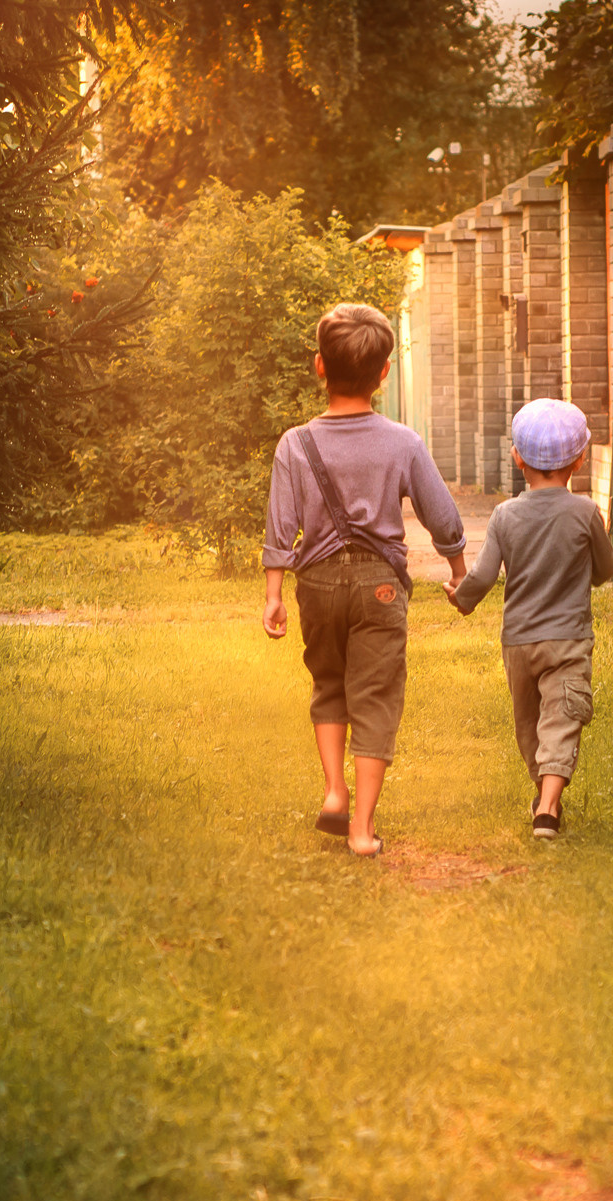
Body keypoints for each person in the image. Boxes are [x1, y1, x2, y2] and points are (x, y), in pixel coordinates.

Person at [262, 304, 469, 857]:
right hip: (380, 585)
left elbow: (282, 524)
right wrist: (457, 567)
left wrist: (275, 593)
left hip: (317, 585)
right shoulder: (403, 442)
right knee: (374, 698)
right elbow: (441, 514)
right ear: (384, 374)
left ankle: (334, 792)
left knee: (328, 683)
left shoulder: (294, 444)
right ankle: (361, 830)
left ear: (318, 367)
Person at [446, 399, 613, 838]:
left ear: (516, 457)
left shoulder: (505, 515)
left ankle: (545, 802)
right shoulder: (584, 512)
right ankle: (550, 804)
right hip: (567, 640)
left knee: (530, 725)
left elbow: (482, 575)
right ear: (580, 460)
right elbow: (605, 570)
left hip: (518, 642)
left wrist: (462, 599)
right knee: (562, 716)